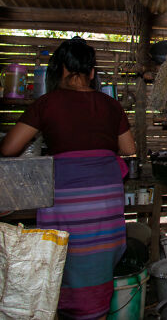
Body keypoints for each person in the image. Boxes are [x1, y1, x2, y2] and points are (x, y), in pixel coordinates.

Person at [0, 37, 136, 320]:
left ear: (59, 69)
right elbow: (129, 149)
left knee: (63, 268)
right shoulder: (111, 105)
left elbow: (8, 148)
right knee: (96, 271)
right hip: (104, 208)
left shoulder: (46, 104)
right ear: (92, 72)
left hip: (66, 207)